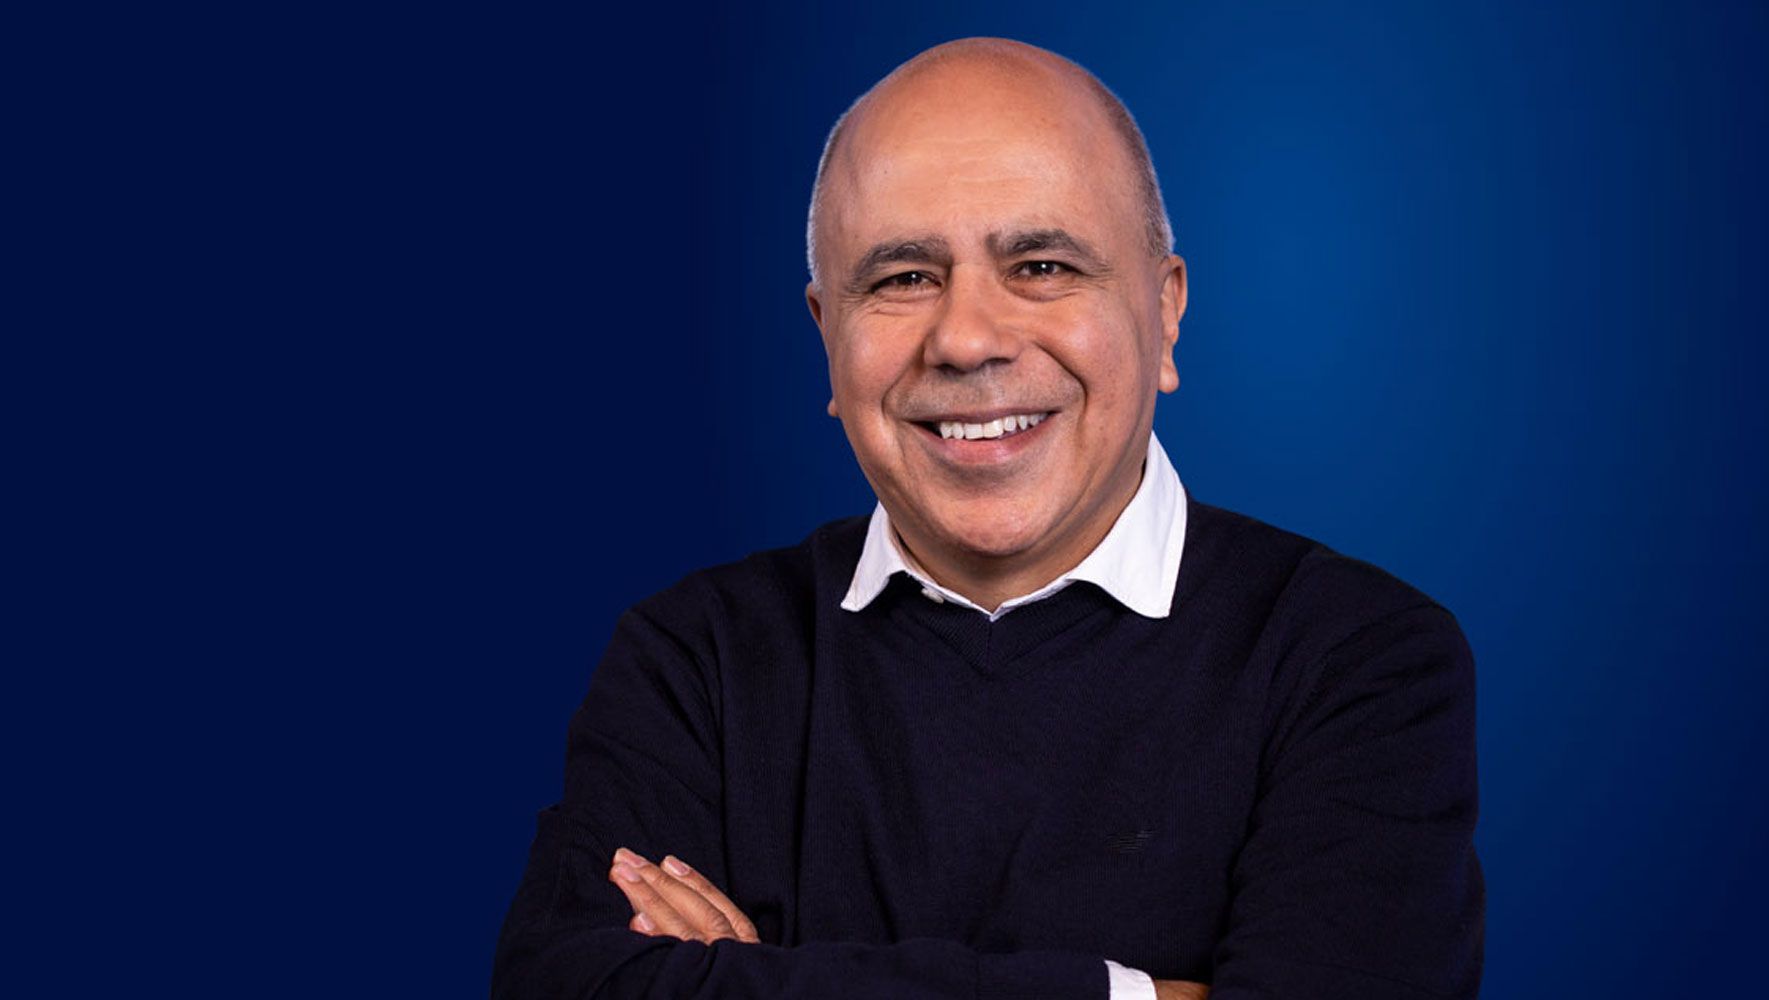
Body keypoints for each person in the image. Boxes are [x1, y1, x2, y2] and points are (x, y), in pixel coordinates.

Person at [494, 37, 1482, 1000]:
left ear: (1166, 312)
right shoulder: (693, 661)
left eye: (1042, 266)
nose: (966, 339)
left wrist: (745, 981)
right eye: (903, 279)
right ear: (827, 336)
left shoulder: (1357, 658)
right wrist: (1127, 994)